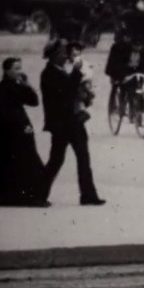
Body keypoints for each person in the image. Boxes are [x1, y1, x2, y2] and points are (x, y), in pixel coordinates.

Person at [41, 41, 104, 206]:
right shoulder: (48, 74)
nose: (66, 55)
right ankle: (39, 193)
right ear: (53, 55)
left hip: (72, 121)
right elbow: (65, 92)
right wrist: (77, 73)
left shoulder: (60, 72)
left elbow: (71, 91)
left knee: (82, 157)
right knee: (57, 160)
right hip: (62, 124)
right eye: (62, 52)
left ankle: (88, 195)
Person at [0, 57, 49, 207]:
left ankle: (24, 195)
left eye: (20, 68)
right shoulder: (0, 89)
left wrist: (26, 85)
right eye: (16, 68)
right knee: (14, 159)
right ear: (6, 71)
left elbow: (34, 101)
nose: (19, 71)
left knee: (25, 158)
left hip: (17, 125)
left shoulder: (19, 86)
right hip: (10, 126)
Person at [105, 25, 144, 116]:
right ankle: (116, 106)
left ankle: (139, 110)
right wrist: (123, 76)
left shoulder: (143, 52)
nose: (138, 48)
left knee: (139, 89)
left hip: (135, 72)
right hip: (119, 72)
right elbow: (117, 64)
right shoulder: (120, 49)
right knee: (122, 87)